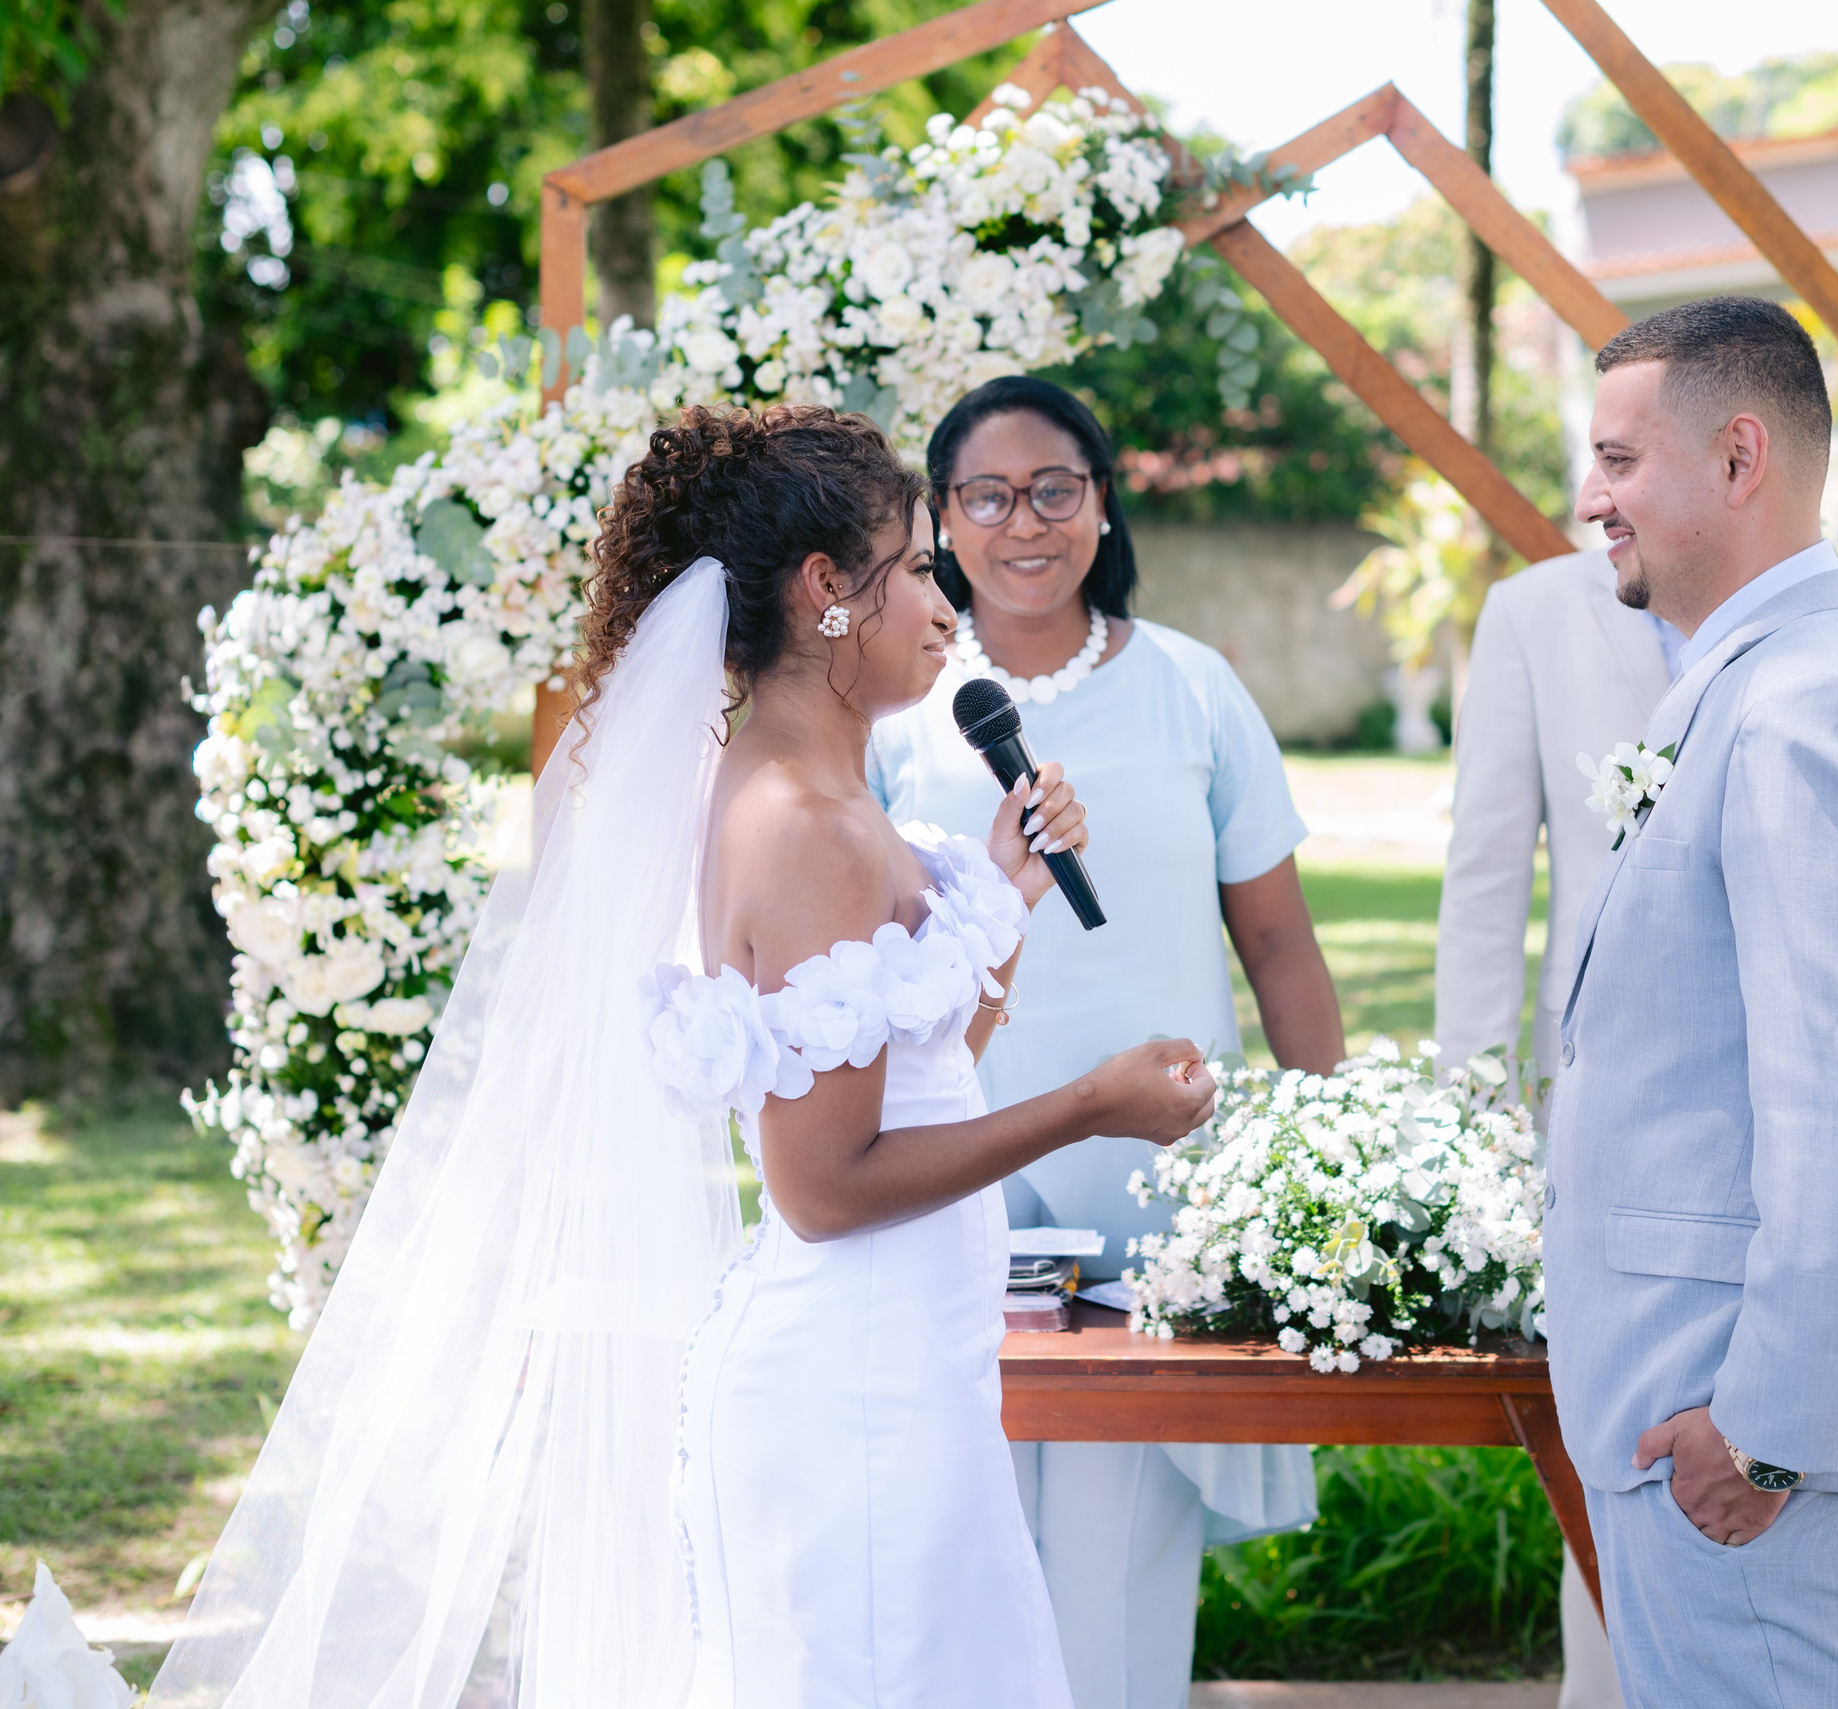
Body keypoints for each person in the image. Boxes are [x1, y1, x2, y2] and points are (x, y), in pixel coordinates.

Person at [150, 404, 1217, 1709]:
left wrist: (1001, 897)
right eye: (918, 565)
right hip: (854, 1404)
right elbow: (826, 1187)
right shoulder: (801, 821)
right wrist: (1089, 1106)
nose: (952, 602)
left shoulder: (821, 794)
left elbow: (914, 1071)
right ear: (828, 592)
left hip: (900, 1378)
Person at [868, 376, 1347, 1709]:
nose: (1025, 521)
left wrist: (1328, 1162)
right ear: (943, 524)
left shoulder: (1195, 687)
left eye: (1055, 488)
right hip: (959, 1176)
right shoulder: (897, 713)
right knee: (970, 1563)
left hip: (1163, 1189)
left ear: (1103, 501)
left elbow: (1282, 947)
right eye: (986, 495)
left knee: (1118, 1565)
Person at [1540, 298, 1838, 1709]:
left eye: (1618, 461)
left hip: (1738, 1435)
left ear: (1740, 460)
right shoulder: (1752, 681)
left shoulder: (1810, 706)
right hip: (1691, 1410)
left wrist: (1769, 1430)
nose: (1588, 499)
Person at [1432, 542, 1669, 1709]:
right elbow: (1486, 876)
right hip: (1596, 1097)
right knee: (1610, 1436)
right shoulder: (1534, 612)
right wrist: (1478, 1122)